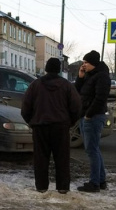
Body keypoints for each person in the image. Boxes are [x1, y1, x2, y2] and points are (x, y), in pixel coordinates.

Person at [21, 57, 81, 194]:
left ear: (46, 68)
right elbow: (76, 107)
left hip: (40, 126)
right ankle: (63, 187)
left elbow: (25, 107)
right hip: (61, 127)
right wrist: (70, 122)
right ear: (59, 69)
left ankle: (41, 187)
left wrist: (31, 121)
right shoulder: (66, 86)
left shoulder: (35, 85)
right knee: (62, 158)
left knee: (41, 158)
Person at [74, 50, 111, 193]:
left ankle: (95, 183)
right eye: (83, 62)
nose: (83, 65)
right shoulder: (90, 75)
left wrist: (89, 115)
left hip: (93, 117)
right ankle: (100, 181)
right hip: (87, 116)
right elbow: (79, 91)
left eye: (86, 63)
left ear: (93, 63)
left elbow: (100, 98)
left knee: (92, 150)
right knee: (94, 149)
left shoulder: (102, 77)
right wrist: (80, 77)